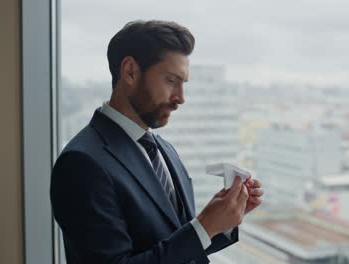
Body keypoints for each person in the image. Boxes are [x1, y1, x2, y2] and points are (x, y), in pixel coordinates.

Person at [50, 20, 264, 264]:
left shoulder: (164, 149)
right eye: (171, 80)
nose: (181, 98)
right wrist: (203, 227)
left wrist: (224, 219)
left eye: (184, 83)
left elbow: (178, 244)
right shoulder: (82, 163)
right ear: (130, 71)